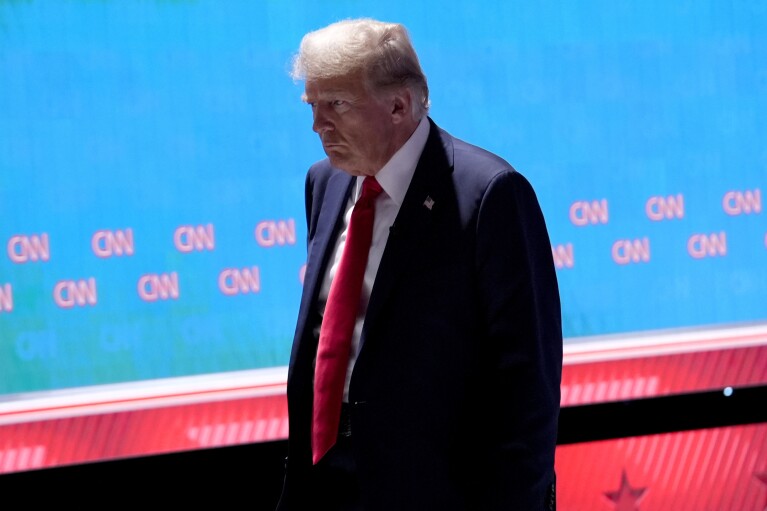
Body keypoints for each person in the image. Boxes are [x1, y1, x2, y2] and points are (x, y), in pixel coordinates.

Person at [277, 18, 561, 511]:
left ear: (399, 104)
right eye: (313, 106)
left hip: (439, 491)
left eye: (336, 105)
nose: (317, 125)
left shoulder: (489, 193)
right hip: (325, 483)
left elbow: (527, 390)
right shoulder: (323, 183)